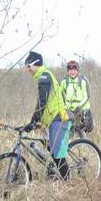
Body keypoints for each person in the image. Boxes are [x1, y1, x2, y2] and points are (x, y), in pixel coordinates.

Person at [23, 51, 71, 179]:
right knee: (47, 145)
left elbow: (42, 102)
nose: (27, 69)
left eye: (28, 66)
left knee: (57, 153)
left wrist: (34, 121)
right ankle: (56, 173)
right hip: (51, 119)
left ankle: (67, 181)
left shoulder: (44, 76)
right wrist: (34, 120)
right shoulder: (41, 76)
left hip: (59, 118)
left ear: (36, 64)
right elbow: (41, 102)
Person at [60, 60, 94, 134]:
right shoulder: (64, 81)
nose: (72, 72)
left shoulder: (82, 80)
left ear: (77, 70)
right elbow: (59, 94)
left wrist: (79, 107)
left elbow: (87, 96)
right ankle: (71, 143)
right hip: (69, 109)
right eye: (70, 70)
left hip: (82, 109)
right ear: (68, 71)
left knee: (83, 130)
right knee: (69, 129)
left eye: (74, 70)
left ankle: (83, 144)